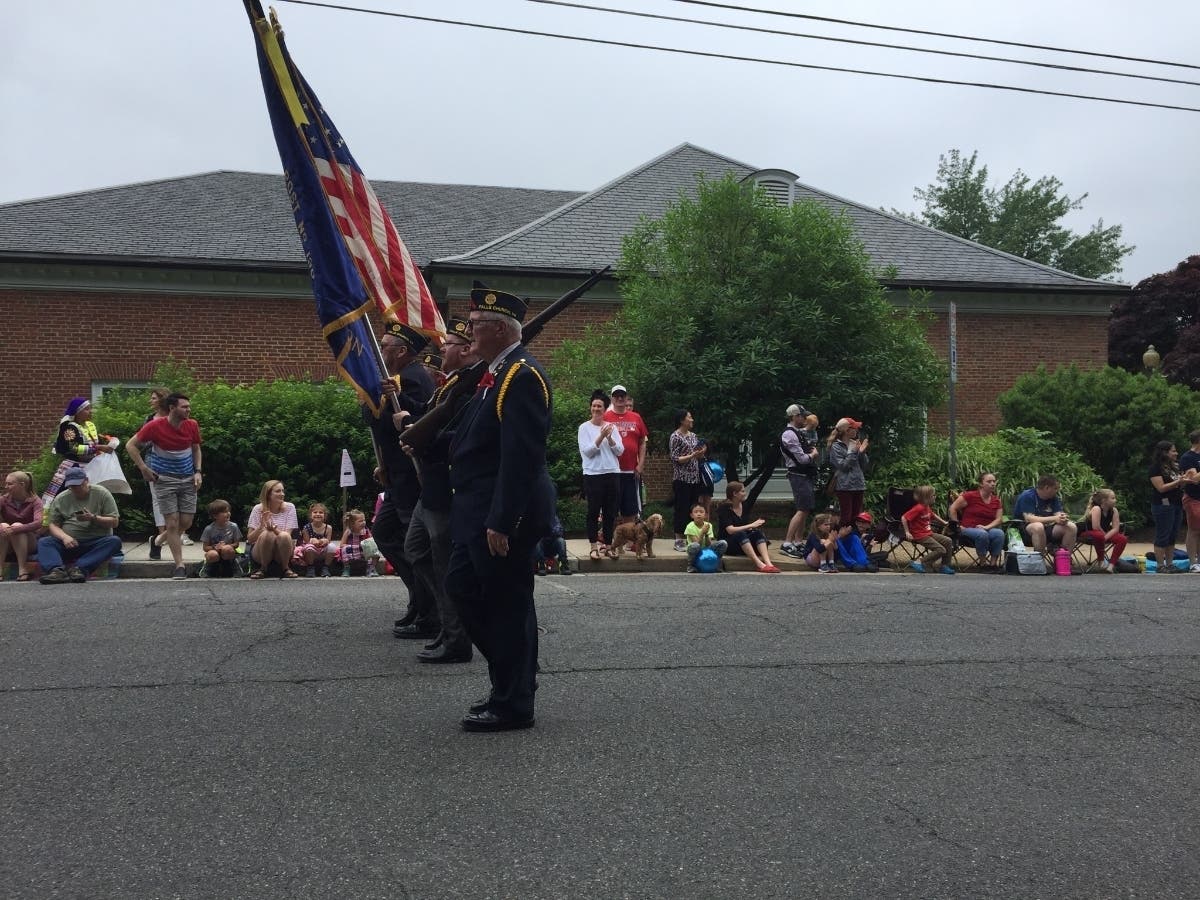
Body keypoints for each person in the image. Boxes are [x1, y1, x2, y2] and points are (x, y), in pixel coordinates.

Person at [445, 283, 554, 731]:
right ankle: (515, 676)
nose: (467, 332)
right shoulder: (495, 373)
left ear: (497, 329)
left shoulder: (520, 376)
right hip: (477, 512)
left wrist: (502, 521)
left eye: (473, 325)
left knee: (506, 604)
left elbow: (521, 458)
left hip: (500, 515)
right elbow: (474, 440)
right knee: (464, 587)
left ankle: (513, 701)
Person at [401, 317, 479, 664]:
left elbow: (463, 437)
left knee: (443, 560)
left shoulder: (471, 387)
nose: (441, 348)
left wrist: (423, 441)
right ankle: (449, 623)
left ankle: (457, 635)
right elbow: (434, 419)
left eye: (447, 344)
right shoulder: (452, 384)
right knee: (416, 549)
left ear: (464, 350)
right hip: (431, 486)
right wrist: (412, 427)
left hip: (445, 487)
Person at [368, 321, 438, 639]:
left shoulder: (414, 379)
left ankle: (430, 611)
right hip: (396, 475)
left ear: (401, 351)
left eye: (384, 346)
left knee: (416, 545)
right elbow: (382, 426)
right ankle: (418, 596)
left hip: (412, 475)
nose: (380, 351)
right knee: (384, 532)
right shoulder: (394, 380)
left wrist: (388, 404)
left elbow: (420, 420)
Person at [126, 392, 203, 580]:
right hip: (164, 479)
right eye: (184, 407)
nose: (188, 410)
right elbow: (131, 445)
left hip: (187, 478)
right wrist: (144, 468)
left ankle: (158, 540)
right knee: (173, 522)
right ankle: (179, 566)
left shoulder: (191, 425)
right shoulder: (154, 426)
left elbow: (195, 448)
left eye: (189, 406)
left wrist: (198, 471)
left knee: (186, 522)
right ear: (172, 408)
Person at [36, 468, 122, 584]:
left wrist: (93, 517)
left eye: (78, 485)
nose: (75, 489)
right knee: (44, 542)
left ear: (86, 481)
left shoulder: (102, 493)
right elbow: (53, 525)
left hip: (96, 541)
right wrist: (64, 537)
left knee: (114, 541)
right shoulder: (61, 498)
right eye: (71, 487)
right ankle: (56, 571)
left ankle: (80, 569)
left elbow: (114, 522)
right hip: (69, 542)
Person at [578, 389, 623, 561]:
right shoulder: (584, 428)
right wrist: (600, 437)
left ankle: (609, 546)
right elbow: (588, 452)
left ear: (605, 409)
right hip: (593, 474)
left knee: (610, 512)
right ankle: (593, 546)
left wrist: (610, 438)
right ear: (591, 408)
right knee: (593, 510)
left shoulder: (612, 427)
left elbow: (620, 451)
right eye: (594, 406)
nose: (596, 409)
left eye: (600, 406)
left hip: (612, 472)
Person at [602, 384, 649, 532]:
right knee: (611, 509)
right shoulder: (605, 417)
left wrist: (640, 464)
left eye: (622, 396)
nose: (620, 398)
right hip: (611, 470)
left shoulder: (636, 417)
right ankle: (610, 540)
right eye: (617, 396)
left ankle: (629, 540)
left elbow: (642, 442)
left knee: (630, 510)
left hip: (631, 471)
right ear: (612, 399)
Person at [780, 404, 820, 559]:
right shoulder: (789, 434)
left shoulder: (797, 432)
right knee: (802, 508)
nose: (805, 419)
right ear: (794, 417)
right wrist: (813, 455)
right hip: (798, 474)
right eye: (802, 416)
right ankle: (787, 543)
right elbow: (801, 458)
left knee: (805, 508)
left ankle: (797, 541)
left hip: (803, 475)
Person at [717, 481, 780, 573]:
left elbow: (744, 526)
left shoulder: (744, 506)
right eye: (742, 491)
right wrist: (750, 525)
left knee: (757, 533)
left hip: (743, 542)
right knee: (741, 534)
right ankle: (759, 564)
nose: (745, 493)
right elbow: (730, 530)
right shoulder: (724, 508)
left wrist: (752, 528)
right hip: (728, 543)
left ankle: (768, 563)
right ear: (734, 494)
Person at [948, 472, 1006, 570]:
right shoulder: (970, 496)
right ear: (981, 484)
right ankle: (983, 564)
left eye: (994, 481)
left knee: (999, 533)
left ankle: (993, 565)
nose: (993, 484)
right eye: (989, 481)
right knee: (982, 534)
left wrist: (986, 527)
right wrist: (956, 525)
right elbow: (952, 508)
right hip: (967, 528)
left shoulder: (996, 500)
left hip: (987, 529)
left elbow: (999, 519)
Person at [1148, 440, 1188, 574]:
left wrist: (1184, 480)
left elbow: (1178, 485)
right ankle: (1160, 565)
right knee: (1163, 534)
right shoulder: (1155, 468)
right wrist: (1178, 481)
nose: (1176, 453)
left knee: (1172, 534)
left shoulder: (1174, 467)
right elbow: (1161, 488)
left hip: (1176, 503)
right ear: (1164, 452)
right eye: (1173, 451)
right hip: (1163, 505)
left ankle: (1170, 564)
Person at [668, 409, 706, 552]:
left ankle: (692, 537)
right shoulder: (675, 436)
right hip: (681, 479)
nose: (692, 420)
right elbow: (675, 459)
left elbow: (698, 456)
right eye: (689, 417)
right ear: (682, 420)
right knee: (681, 509)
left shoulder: (694, 436)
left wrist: (700, 453)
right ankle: (678, 539)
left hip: (694, 478)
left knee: (693, 508)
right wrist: (691, 455)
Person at [246, 479, 299, 579]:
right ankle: (263, 568)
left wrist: (274, 530)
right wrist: (261, 526)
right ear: (268, 494)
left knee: (282, 535)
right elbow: (250, 539)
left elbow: (287, 535)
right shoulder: (258, 509)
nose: (282, 494)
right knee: (267, 534)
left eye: (283, 491)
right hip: (260, 550)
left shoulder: (290, 507)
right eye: (278, 491)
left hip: (282, 549)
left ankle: (285, 567)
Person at [1012, 474, 1077, 554]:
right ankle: (1040, 561)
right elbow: (1030, 519)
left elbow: (1058, 514)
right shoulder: (1028, 496)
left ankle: (1063, 559)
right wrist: (1055, 518)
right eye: (1055, 488)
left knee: (1071, 527)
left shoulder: (1053, 498)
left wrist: (1062, 518)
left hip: (1047, 529)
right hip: (1024, 531)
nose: (1057, 491)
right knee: (1038, 526)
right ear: (1046, 488)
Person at [141, 387, 171, 558]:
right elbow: (141, 441)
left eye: (153, 398)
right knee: (157, 498)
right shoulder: (150, 419)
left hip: (175, 464)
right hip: (154, 462)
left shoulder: (174, 417)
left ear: (162, 399)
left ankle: (170, 532)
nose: (150, 401)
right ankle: (162, 532)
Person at [902, 484, 955, 574]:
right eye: (933, 495)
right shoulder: (918, 508)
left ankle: (944, 566)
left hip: (928, 533)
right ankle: (919, 562)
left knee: (948, 541)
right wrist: (907, 532)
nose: (935, 496)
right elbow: (904, 518)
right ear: (927, 497)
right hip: (919, 535)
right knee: (941, 550)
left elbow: (933, 515)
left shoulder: (926, 506)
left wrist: (944, 522)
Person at [827, 417, 870, 527]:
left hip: (858, 485)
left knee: (857, 517)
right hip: (845, 486)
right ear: (847, 430)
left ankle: (854, 541)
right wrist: (852, 452)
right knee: (846, 517)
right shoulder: (836, 447)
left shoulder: (854, 444)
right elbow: (843, 466)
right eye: (854, 428)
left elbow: (864, 466)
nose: (857, 430)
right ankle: (841, 540)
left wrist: (862, 453)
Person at [1, 471, 43, 581]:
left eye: (10, 484)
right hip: (7, 541)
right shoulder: (3, 500)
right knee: (3, 526)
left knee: (17, 526)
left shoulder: (35, 501)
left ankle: (22, 568)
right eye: (6, 483)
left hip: (30, 541)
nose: (6, 487)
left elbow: (38, 522)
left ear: (22, 484)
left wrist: (17, 528)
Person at [1079, 489, 1128, 574]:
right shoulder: (1096, 508)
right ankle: (1101, 561)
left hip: (1103, 534)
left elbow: (1116, 528)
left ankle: (1111, 565)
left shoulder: (1114, 510)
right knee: (1099, 535)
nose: (1115, 500)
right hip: (1088, 533)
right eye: (1112, 498)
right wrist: (1104, 536)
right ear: (1104, 500)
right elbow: (1095, 527)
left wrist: (1106, 536)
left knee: (1122, 538)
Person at [200, 499, 243, 578]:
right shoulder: (209, 529)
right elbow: (205, 547)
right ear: (215, 516)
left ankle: (234, 566)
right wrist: (214, 547)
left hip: (228, 553)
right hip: (215, 552)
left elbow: (236, 544)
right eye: (224, 512)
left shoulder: (233, 526)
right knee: (212, 554)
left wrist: (226, 546)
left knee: (227, 549)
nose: (228, 513)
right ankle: (208, 567)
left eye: (228, 511)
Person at [1178, 429, 1200, 573]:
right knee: (1194, 530)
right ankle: (1193, 563)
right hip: (1194, 498)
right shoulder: (1188, 458)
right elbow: (1193, 479)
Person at [684, 503, 728, 573]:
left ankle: (717, 563)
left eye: (701, 512)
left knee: (723, 543)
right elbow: (697, 544)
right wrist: (702, 532)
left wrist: (706, 534)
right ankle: (690, 566)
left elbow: (708, 544)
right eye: (696, 512)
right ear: (691, 515)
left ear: (705, 515)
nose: (699, 514)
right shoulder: (690, 526)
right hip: (695, 550)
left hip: (706, 549)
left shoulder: (708, 525)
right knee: (695, 546)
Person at [296, 502, 336, 577]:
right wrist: (312, 541)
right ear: (311, 515)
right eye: (315, 512)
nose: (318, 514)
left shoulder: (328, 528)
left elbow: (328, 541)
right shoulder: (306, 528)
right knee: (308, 547)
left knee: (332, 546)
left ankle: (326, 567)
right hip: (312, 552)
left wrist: (324, 541)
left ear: (325, 516)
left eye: (321, 512)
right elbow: (306, 542)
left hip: (323, 551)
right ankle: (310, 567)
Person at [338, 509, 377, 576]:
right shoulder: (348, 532)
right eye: (360, 521)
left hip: (363, 551)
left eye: (364, 520)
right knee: (344, 549)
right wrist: (353, 546)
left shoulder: (366, 531)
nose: (363, 522)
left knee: (374, 549)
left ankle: (371, 568)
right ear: (352, 524)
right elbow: (341, 545)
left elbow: (371, 541)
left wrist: (366, 545)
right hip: (352, 551)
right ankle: (346, 568)